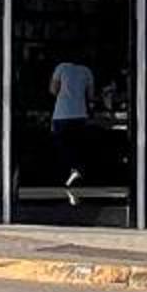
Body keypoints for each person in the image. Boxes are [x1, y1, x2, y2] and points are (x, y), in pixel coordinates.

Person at [48, 56, 96, 202]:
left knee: (61, 145)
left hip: (61, 114)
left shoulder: (61, 67)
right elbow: (91, 96)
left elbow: (53, 90)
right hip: (80, 114)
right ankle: (75, 169)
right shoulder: (87, 71)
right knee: (77, 145)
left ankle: (66, 173)